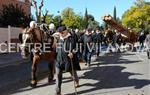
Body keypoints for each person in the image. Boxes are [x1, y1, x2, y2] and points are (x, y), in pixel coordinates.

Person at [54, 26, 80, 95]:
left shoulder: (72, 38)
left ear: (66, 31)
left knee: (73, 74)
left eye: (62, 32)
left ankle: (76, 80)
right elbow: (55, 49)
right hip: (59, 61)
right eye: (60, 33)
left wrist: (73, 53)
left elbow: (76, 48)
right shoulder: (58, 39)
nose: (61, 34)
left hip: (68, 61)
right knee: (58, 76)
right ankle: (58, 92)